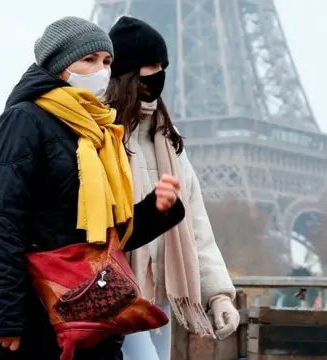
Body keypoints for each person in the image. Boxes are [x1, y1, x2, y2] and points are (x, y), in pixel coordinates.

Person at [0, 16, 185, 360]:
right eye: (88, 60)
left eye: (106, 61)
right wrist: (8, 318)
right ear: (59, 66)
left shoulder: (98, 129)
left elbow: (101, 239)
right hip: (41, 315)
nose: (101, 70)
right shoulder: (24, 120)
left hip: (94, 311)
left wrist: (155, 210)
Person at [105, 16, 240, 360]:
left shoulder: (167, 138)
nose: (159, 73)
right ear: (128, 72)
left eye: (162, 66)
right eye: (150, 65)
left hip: (165, 291)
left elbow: (195, 222)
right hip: (118, 291)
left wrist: (219, 294)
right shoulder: (101, 136)